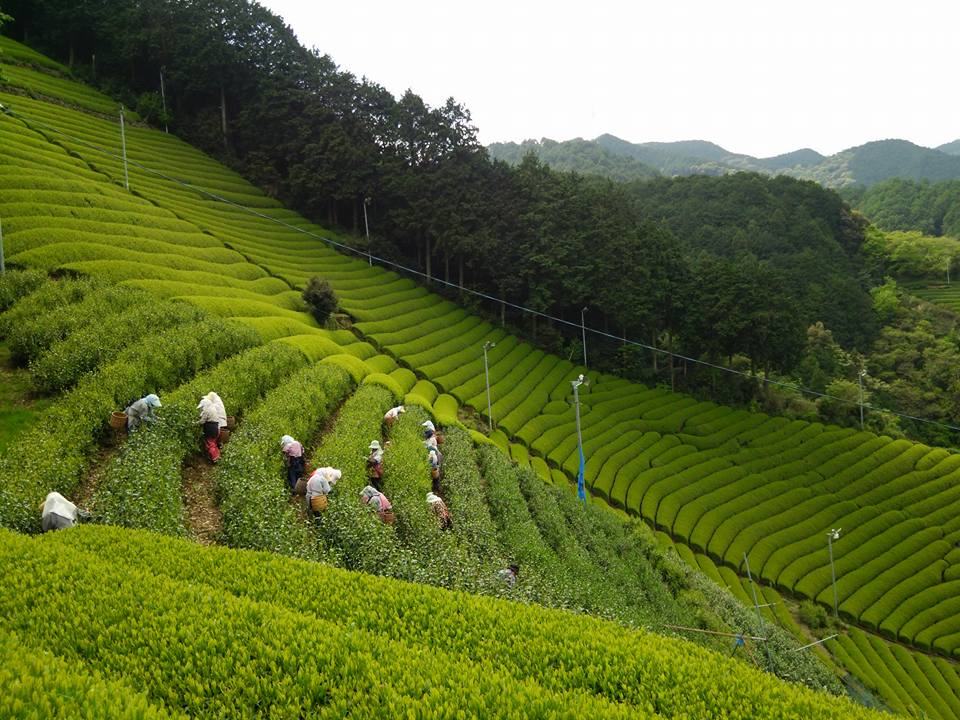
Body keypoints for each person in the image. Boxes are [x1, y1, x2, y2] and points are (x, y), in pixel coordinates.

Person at [197, 393, 222, 463]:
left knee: (210, 444)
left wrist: (195, 423)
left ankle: (215, 458)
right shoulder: (212, 408)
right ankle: (218, 456)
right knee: (214, 444)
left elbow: (202, 421)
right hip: (216, 428)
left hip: (210, 430)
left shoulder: (207, 410)